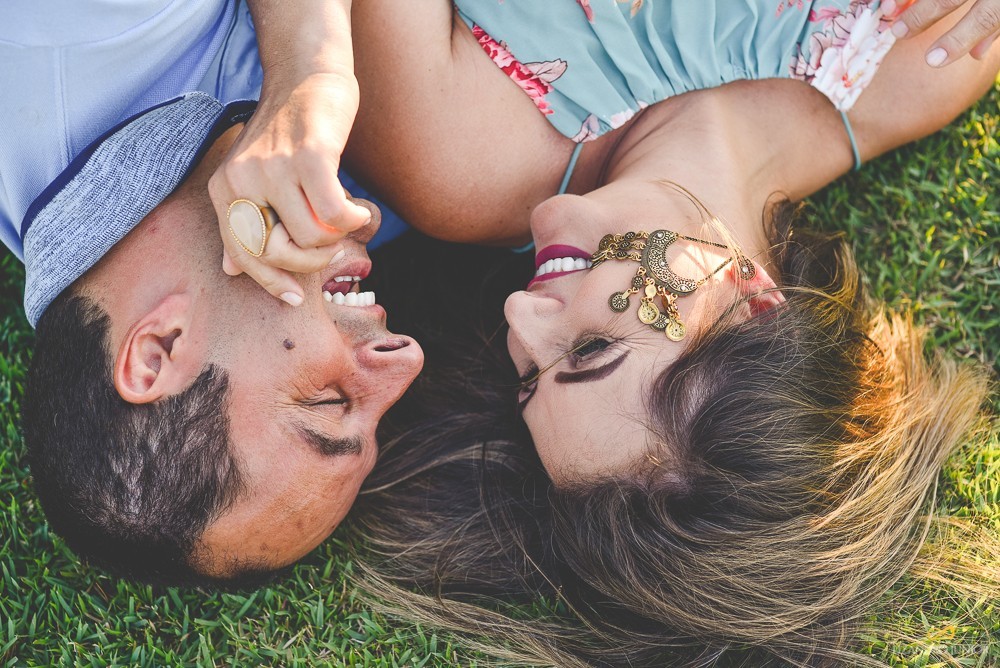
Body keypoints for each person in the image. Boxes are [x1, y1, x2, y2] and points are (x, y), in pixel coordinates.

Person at [321, 0, 999, 665]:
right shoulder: (924, 55)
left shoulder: (451, 159)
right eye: (590, 350)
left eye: (530, 376)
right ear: (752, 306)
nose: (521, 319)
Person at [0, 0, 421, 584]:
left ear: (162, 348)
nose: (406, 362)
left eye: (329, 404)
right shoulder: (364, 199)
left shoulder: (68, 27)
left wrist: (308, 70)